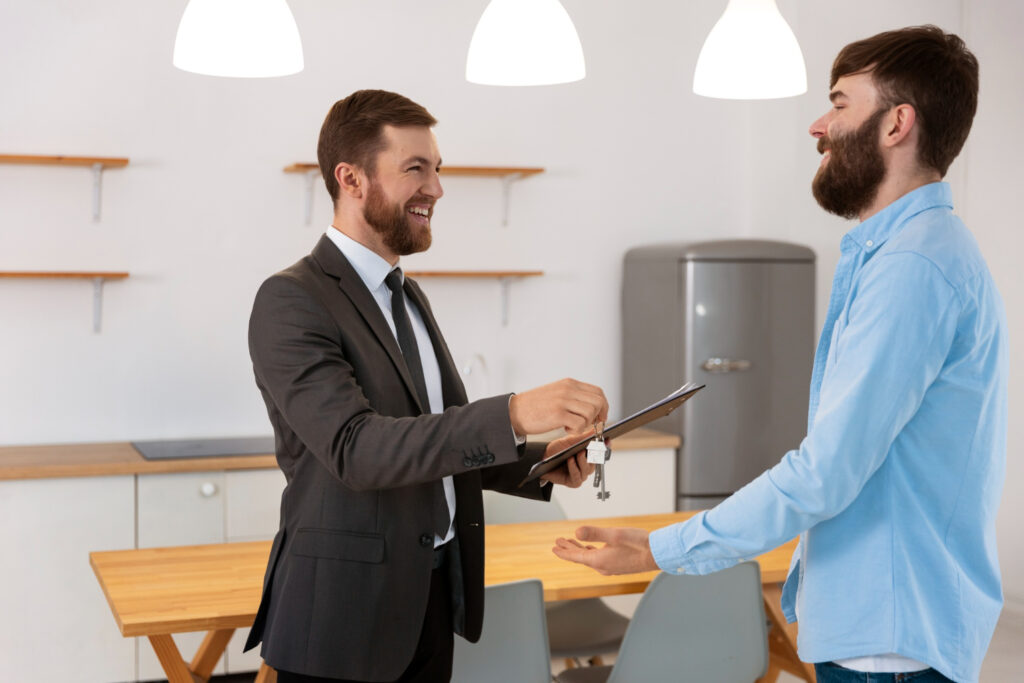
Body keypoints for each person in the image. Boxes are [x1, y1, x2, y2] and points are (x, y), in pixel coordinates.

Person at [553, 25, 1006, 683]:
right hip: (886, 629)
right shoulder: (903, 256)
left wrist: (662, 547)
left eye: (841, 102)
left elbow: (825, 472)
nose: (820, 125)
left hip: (890, 645)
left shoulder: (912, 267)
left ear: (896, 124)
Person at [244, 89, 608, 682]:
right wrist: (515, 412)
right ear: (351, 178)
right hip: (340, 623)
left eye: (437, 169)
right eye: (416, 168)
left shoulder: (407, 295)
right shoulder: (292, 299)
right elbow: (357, 450)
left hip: (429, 606)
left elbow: (436, 446)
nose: (436, 188)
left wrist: (540, 462)